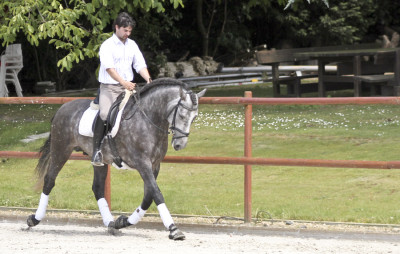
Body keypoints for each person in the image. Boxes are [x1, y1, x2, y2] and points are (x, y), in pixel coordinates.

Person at [92, 12, 152, 166]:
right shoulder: (107, 46)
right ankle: (97, 151)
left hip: (128, 87)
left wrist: (149, 80)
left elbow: (140, 65)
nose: (128, 34)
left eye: (130, 31)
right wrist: (124, 82)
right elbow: (109, 69)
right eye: (125, 30)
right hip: (110, 87)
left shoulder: (132, 45)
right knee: (105, 113)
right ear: (117, 27)